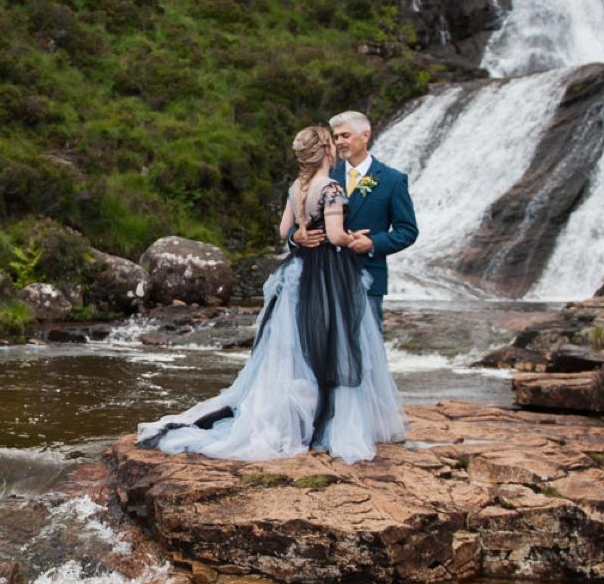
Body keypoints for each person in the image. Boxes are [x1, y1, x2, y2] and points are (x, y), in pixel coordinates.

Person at [137, 126, 407, 463]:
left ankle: (295, 418)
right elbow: (336, 237)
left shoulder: (298, 187)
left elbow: (284, 231)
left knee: (292, 347)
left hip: (298, 272)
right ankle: (329, 422)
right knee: (333, 343)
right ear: (326, 152)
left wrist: (300, 237)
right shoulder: (332, 188)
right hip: (328, 275)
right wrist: (354, 237)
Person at [291, 110, 417, 329]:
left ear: (365, 136)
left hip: (367, 276)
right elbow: (296, 224)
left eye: (345, 136)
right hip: (321, 277)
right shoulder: (323, 176)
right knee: (323, 353)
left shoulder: (392, 180)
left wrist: (373, 243)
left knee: (367, 353)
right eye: (336, 137)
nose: (339, 142)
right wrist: (296, 237)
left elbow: (407, 230)